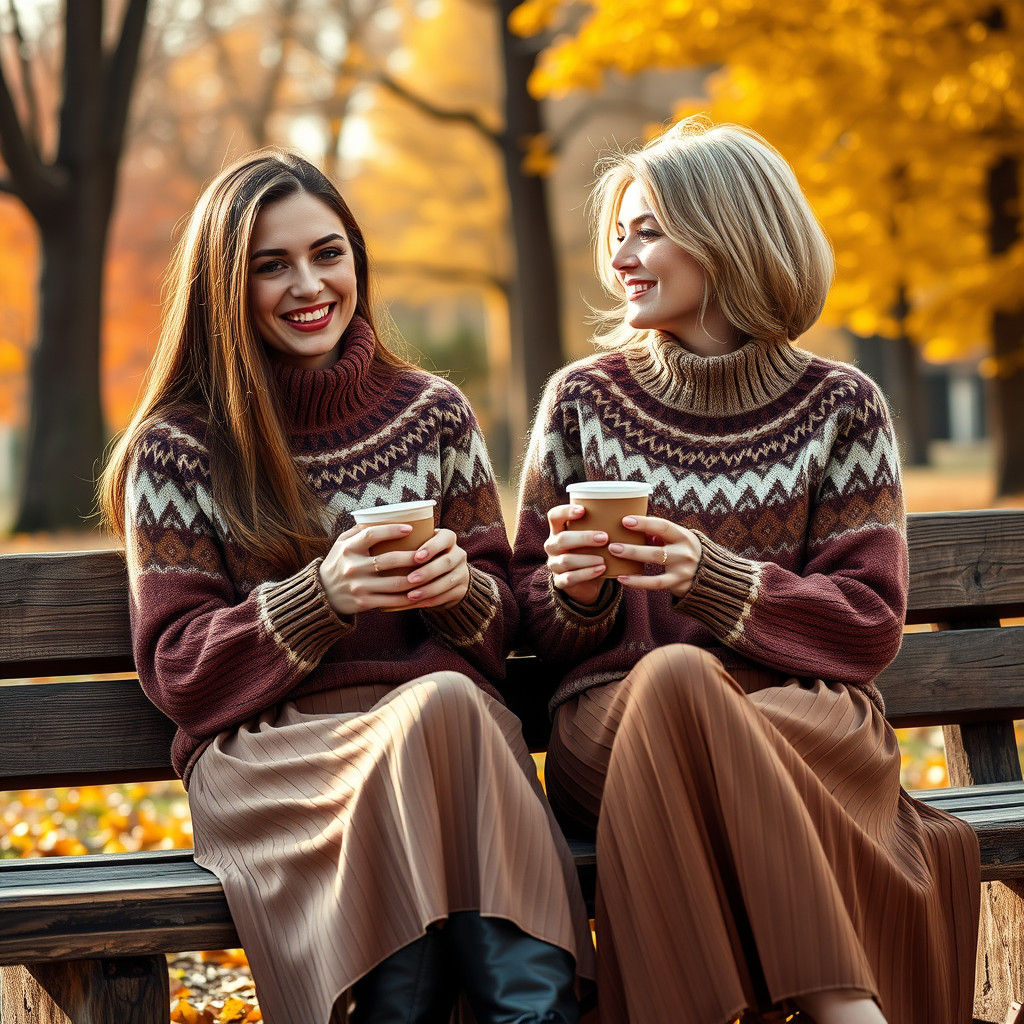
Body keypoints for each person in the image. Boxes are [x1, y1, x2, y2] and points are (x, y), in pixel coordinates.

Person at [99, 149, 594, 1024]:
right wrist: (319, 596)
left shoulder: (431, 412)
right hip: (275, 756)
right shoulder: (179, 449)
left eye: (328, 254)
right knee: (444, 708)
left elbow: (496, 627)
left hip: (443, 750)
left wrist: (455, 589)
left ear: (357, 259)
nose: (308, 285)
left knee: (446, 704)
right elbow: (181, 671)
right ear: (225, 285)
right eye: (271, 265)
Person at [511, 117, 980, 1024]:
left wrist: (712, 580)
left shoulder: (842, 406)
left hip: (803, 721)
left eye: (647, 230)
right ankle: (847, 1008)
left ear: (726, 235)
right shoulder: (583, 401)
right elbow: (531, 623)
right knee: (679, 676)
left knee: (701, 689)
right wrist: (576, 590)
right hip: (615, 726)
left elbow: (868, 622)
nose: (623, 257)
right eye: (619, 234)